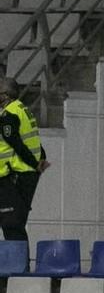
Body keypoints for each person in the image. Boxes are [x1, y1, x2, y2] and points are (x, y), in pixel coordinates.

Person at [0, 76, 46, 243]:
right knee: (15, 222)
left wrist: (35, 164)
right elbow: (35, 143)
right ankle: (19, 264)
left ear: (5, 95)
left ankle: (17, 265)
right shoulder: (23, 109)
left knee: (11, 223)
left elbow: (17, 144)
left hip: (13, 175)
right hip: (25, 174)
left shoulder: (9, 115)